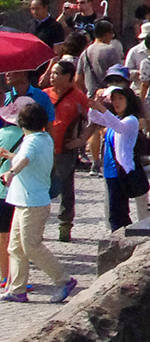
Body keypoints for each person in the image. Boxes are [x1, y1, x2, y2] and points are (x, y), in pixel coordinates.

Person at [0, 103, 76, 304]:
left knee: (31, 246)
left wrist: (10, 172)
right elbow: (29, 158)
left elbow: (25, 159)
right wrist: (10, 156)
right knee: (15, 248)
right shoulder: (44, 138)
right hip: (24, 201)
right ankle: (17, 290)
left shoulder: (31, 141)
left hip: (31, 203)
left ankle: (63, 279)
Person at [86, 86, 144, 231]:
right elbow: (94, 118)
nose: (116, 102)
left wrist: (102, 108)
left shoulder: (131, 120)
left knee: (117, 213)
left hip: (121, 171)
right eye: (113, 99)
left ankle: (120, 241)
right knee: (116, 211)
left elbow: (119, 127)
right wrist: (94, 106)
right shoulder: (116, 118)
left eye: (120, 98)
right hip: (110, 170)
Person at [43, 62, 86, 243]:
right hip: (44, 149)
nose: (52, 77)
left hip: (65, 150)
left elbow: (95, 120)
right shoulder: (44, 95)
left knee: (66, 187)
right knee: (41, 186)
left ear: (69, 77)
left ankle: (65, 224)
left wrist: (81, 139)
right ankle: (37, 225)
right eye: (52, 73)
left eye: (56, 73)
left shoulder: (78, 97)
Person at [77, 24, 123, 95]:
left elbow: (78, 79)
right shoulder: (110, 50)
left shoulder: (85, 52)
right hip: (109, 96)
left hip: (91, 98)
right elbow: (119, 75)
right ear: (108, 34)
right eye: (112, 35)